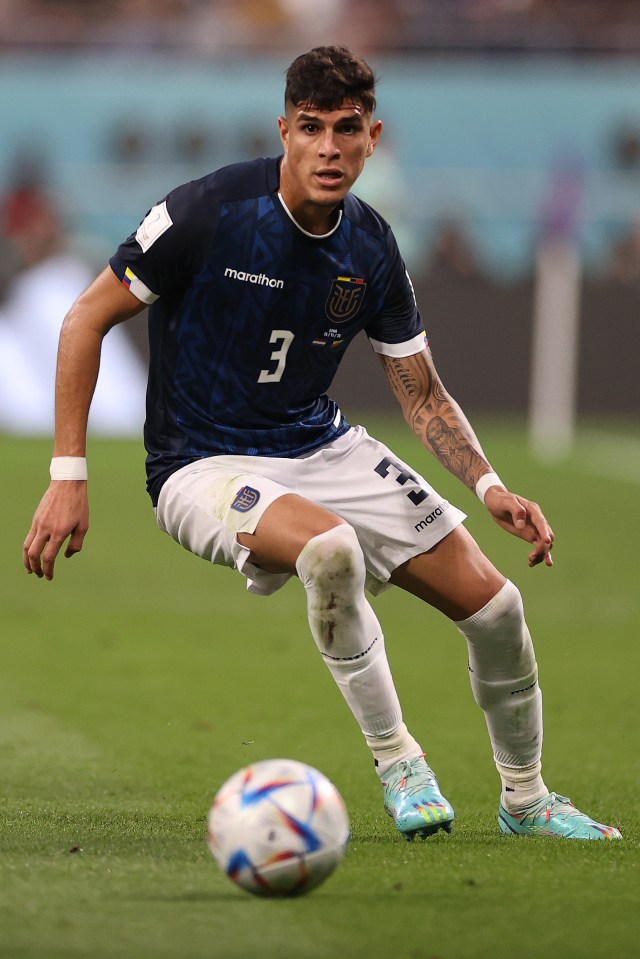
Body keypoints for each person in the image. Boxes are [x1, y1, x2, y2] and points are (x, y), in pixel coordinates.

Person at [23, 46, 621, 842]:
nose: (330, 149)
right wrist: (69, 473)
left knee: (499, 610)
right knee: (330, 549)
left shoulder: (371, 249)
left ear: (374, 137)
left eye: (347, 129)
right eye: (312, 129)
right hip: (201, 462)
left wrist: (489, 486)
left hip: (319, 444)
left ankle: (527, 798)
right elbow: (83, 318)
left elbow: (423, 391)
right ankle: (400, 761)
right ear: (285, 131)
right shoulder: (207, 212)